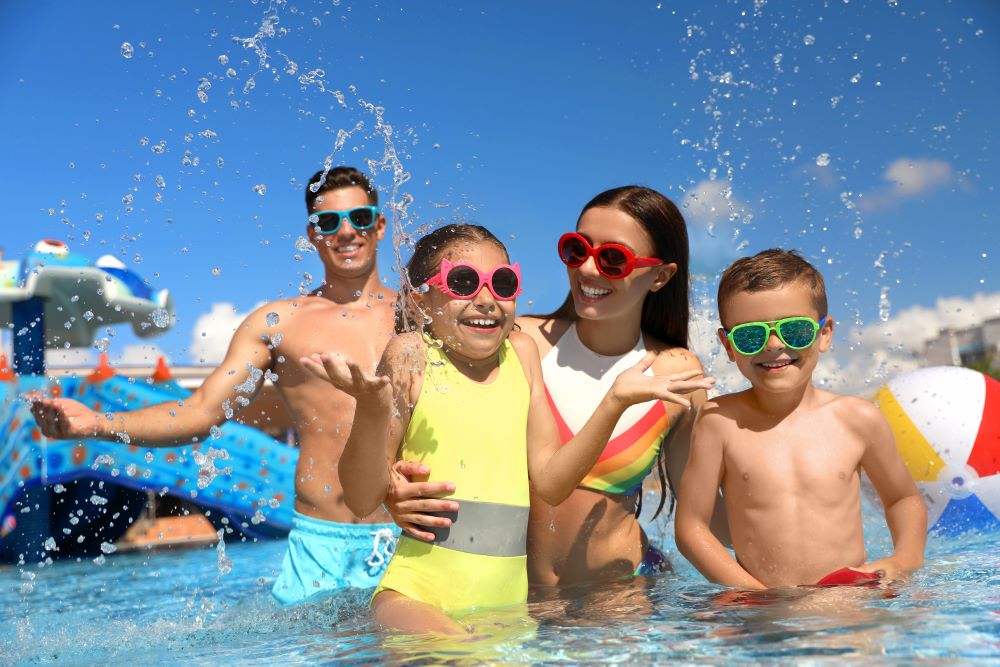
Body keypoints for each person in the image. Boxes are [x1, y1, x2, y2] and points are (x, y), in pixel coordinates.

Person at [302, 223, 714, 634]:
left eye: (502, 283)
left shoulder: (521, 353)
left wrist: (614, 402)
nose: (486, 300)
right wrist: (373, 410)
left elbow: (552, 482)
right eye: (462, 283)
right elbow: (360, 498)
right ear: (419, 302)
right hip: (416, 596)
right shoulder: (412, 354)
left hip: (509, 613)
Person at [30, 166, 401, 605]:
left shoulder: (417, 316)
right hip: (322, 545)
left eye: (359, 218)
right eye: (328, 222)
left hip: (410, 536)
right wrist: (96, 422)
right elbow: (200, 412)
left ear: (379, 224)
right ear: (311, 234)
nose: (345, 232)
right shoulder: (278, 323)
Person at [387, 186, 730, 587]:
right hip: (516, 596)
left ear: (660, 276)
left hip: (622, 596)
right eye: (576, 249)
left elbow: (703, 519)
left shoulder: (678, 374)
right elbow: (418, 416)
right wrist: (388, 490)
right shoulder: (517, 342)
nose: (587, 269)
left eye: (613, 259)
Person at [674, 249, 927, 589]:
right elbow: (691, 528)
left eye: (795, 331)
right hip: (762, 611)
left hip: (850, 603)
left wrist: (904, 560)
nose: (774, 345)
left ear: (824, 333)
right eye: (751, 335)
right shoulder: (718, 422)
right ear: (729, 345)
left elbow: (903, 498)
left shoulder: (858, 419)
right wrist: (750, 593)